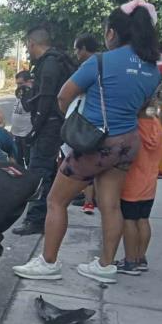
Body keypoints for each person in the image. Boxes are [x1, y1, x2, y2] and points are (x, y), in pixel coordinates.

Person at [13, 0, 162, 284]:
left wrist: (71, 123)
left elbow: (63, 96)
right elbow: (141, 106)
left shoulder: (101, 61)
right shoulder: (153, 69)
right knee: (111, 205)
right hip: (128, 143)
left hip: (95, 144)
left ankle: (48, 263)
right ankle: (105, 266)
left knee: (56, 200)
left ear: (111, 33)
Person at [12, 25, 76, 236]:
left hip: (49, 126)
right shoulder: (57, 60)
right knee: (47, 172)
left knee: (38, 171)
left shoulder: (48, 64)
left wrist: (35, 130)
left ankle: (35, 220)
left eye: (27, 46)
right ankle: (43, 216)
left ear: (32, 43)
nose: (28, 50)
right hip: (55, 124)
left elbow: (46, 99)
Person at [114, 105, 162, 274]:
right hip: (150, 182)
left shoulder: (133, 126)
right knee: (143, 219)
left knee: (129, 220)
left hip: (132, 181)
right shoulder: (157, 124)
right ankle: (141, 258)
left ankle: (130, 261)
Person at [71, 33, 100, 216]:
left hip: (87, 127)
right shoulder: (107, 64)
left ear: (82, 49)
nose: (75, 53)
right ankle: (91, 199)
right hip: (110, 131)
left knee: (55, 200)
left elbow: (64, 95)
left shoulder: (89, 66)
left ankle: (89, 201)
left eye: (76, 49)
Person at [11, 71, 33, 167]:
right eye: (17, 84)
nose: (18, 86)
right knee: (17, 161)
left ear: (29, 81)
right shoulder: (20, 93)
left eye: (21, 83)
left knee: (29, 161)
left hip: (27, 134)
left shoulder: (33, 94)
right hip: (16, 134)